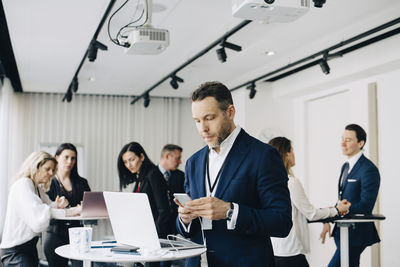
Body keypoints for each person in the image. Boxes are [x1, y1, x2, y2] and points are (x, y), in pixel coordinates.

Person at [175, 81, 292, 267]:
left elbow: (282, 222)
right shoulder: (193, 162)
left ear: (230, 112)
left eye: (209, 118)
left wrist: (231, 211)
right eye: (197, 121)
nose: (202, 128)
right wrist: (184, 219)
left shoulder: (263, 156)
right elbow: (190, 228)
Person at [268, 137, 351, 267]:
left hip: (276, 251)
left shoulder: (270, 183)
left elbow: (296, 212)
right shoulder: (291, 182)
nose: (294, 154)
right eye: (292, 150)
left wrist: (327, 213)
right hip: (292, 252)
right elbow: (310, 213)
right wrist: (336, 210)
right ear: (286, 154)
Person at [0, 151, 80, 267]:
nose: (51, 173)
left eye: (52, 170)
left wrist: (56, 205)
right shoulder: (23, 184)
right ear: (35, 166)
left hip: (28, 248)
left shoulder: (36, 188)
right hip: (16, 252)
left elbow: (46, 207)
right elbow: (39, 218)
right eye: (47, 169)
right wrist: (71, 211)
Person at [320, 124, 381, 267]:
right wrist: (328, 215)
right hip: (341, 232)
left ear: (361, 143)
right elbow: (342, 200)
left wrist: (339, 210)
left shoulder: (368, 169)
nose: (342, 143)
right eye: (342, 139)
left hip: (356, 233)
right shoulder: (345, 166)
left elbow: (366, 205)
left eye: (348, 140)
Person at [43, 143, 91, 267]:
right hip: (55, 235)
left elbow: (89, 206)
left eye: (73, 158)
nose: (70, 161)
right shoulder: (48, 182)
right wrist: (74, 209)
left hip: (79, 236)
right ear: (57, 157)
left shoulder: (82, 182)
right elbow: (44, 209)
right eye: (66, 157)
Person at [117, 142, 171, 239]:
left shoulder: (153, 174)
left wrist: (154, 234)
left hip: (156, 235)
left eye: (132, 160)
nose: (129, 165)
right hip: (145, 232)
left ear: (141, 157)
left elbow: (164, 210)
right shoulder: (140, 177)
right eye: (125, 162)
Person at [158, 144, 185, 267]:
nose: (180, 161)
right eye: (177, 158)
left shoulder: (181, 176)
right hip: (155, 226)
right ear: (167, 156)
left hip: (173, 228)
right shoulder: (150, 175)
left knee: (167, 260)